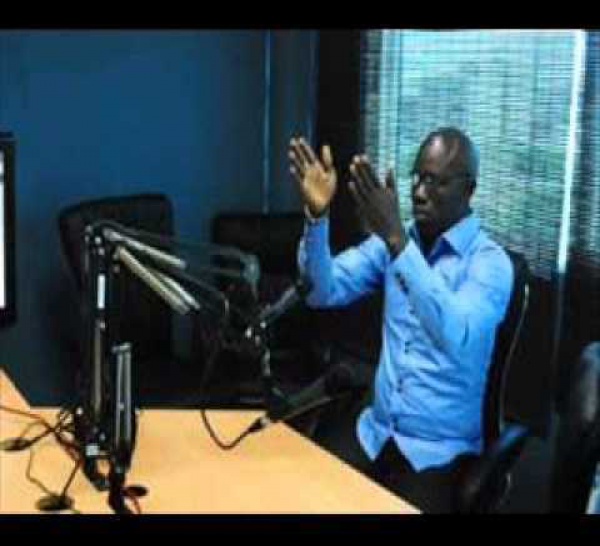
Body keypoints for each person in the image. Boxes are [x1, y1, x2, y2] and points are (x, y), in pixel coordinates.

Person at [289, 127, 514, 513]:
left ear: (469, 190)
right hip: (375, 432)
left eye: (436, 182)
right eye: (417, 178)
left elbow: (456, 334)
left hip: (437, 452)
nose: (419, 192)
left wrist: (397, 241)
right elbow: (320, 291)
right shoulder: (392, 244)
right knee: (306, 497)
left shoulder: (490, 264)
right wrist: (317, 217)